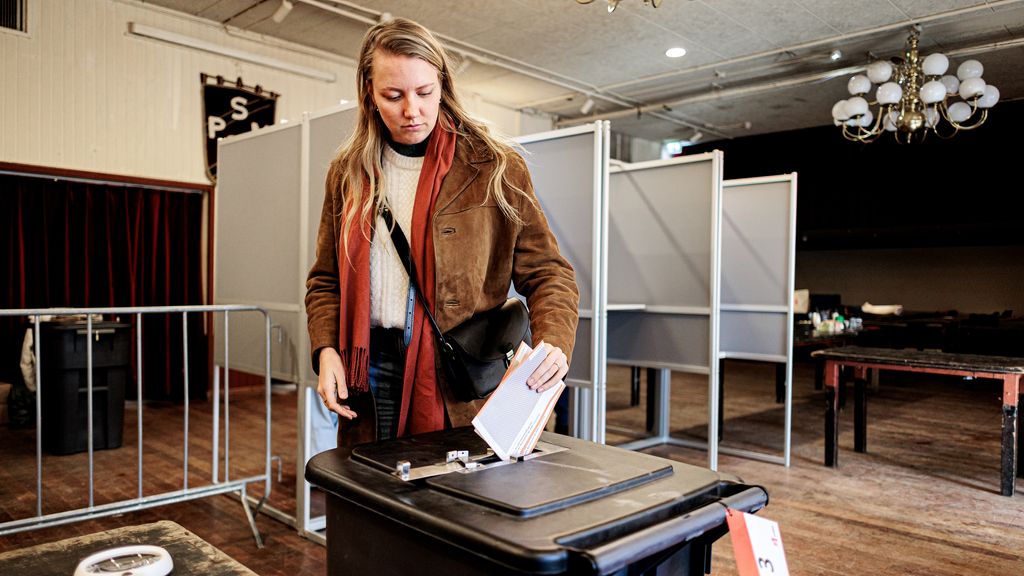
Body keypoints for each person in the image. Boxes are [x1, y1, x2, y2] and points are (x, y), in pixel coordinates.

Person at [305, 17, 579, 449]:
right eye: (392, 96)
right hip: (370, 371)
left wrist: (554, 345)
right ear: (369, 95)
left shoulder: (492, 166)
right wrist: (326, 350)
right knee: (377, 499)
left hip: (461, 372)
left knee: (458, 502)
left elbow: (549, 273)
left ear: (442, 85)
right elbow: (325, 280)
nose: (411, 110)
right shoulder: (349, 173)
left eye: (424, 92)